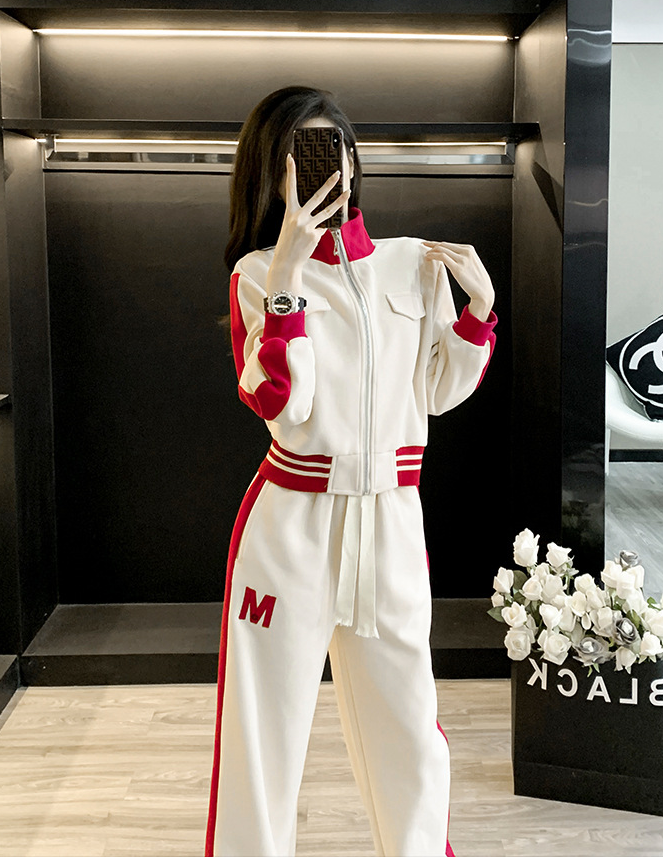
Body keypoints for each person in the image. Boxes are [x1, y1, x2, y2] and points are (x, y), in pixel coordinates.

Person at [205, 86, 497, 857]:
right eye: (298, 153)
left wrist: (477, 313)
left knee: (408, 723)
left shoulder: (413, 264)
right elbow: (280, 403)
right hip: (290, 525)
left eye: (333, 145)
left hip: (391, 521)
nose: (322, 165)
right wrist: (289, 280)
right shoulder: (257, 274)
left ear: (356, 158)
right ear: (271, 172)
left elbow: (437, 392)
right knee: (263, 731)